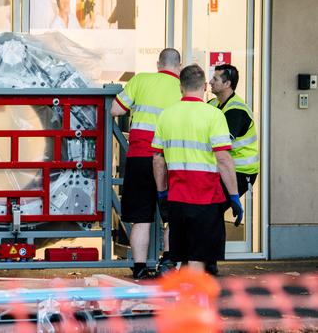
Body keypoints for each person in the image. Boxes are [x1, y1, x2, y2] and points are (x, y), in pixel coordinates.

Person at [152, 64, 244, 272]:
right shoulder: (213, 115)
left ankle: (184, 301)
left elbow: (158, 159)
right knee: (198, 258)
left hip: (177, 198)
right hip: (205, 198)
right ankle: (194, 302)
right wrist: (234, 195)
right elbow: (223, 159)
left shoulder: (166, 115)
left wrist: (161, 192)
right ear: (203, 86)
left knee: (183, 257)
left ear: (180, 87)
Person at [110, 48, 182, 279]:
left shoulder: (141, 79)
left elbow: (114, 109)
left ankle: (140, 268)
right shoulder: (183, 88)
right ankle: (168, 262)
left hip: (140, 156)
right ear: (178, 66)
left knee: (141, 217)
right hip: (171, 159)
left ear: (158, 63)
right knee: (172, 214)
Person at [205, 64, 259, 275]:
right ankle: (207, 260)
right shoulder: (212, 104)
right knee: (210, 209)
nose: (210, 82)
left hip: (240, 172)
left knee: (214, 209)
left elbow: (219, 144)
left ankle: (211, 262)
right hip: (222, 169)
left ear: (227, 84)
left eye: (216, 79)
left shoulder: (237, 111)